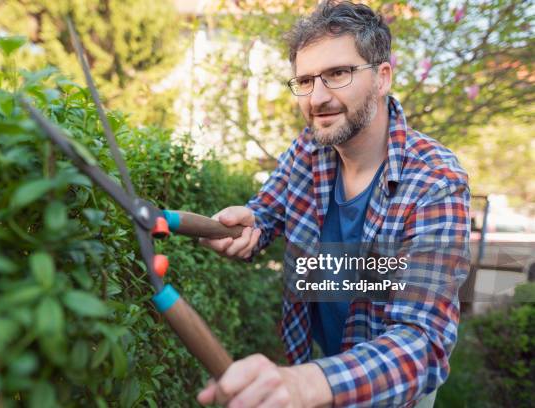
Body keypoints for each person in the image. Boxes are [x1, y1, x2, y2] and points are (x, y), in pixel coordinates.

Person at [198, 1, 470, 407]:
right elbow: (268, 212)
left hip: (390, 383)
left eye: (337, 74)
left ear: (382, 78)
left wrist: (306, 385)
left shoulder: (436, 180)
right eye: (305, 80)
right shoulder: (307, 151)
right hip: (323, 360)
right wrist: (247, 223)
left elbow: (422, 341)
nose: (317, 97)